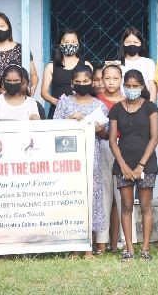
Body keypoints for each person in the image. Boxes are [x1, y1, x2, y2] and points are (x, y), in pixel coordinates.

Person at [53, 65, 108, 257]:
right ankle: (73, 249)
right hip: (68, 161)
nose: (82, 84)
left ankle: (88, 248)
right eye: (78, 82)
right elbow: (54, 130)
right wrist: (69, 120)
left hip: (92, 160)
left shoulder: (99, 105)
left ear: (92, 82)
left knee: (91, 200)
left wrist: (100, 129)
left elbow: (106, 134)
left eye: (86, 81)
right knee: (72, 200)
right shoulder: (64, 104)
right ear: (72, 83)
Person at [109, 69, 158, 262]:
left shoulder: (151, 108)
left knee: (146, 206)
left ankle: (145, 249)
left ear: (142, 86)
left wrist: (141, 165)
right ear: (123, 86)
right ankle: (128, 248)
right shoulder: (116, 109)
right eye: (128, 86)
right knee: (126, 206)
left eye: (135, 86)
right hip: (123, 164)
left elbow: (154, 138)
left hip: (146, 164)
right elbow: (112, 141)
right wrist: (123, 166)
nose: (131, 89)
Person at [0, 12, 38, 116]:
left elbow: (33, 74)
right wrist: (8, 89)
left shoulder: (22, 49)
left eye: (2, 26)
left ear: (8, 26)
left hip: (19, 100)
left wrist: (33, 87)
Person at [95, 63, 126, 253]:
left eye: (115, 78)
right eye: (107, 78)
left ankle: (126, 241)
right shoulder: (96, 101)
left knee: (124, 196)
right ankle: (101, 242)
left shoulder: (127, 100)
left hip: (125, 148)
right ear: (101, 80)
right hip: (102, 147)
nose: (111, 82)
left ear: (121, 79)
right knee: (103, 195)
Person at [41, 30, 92, 119]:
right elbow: (44, 92)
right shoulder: (51, 66)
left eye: (73, 42)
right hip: (57, 111)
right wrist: (57, 102)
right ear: (60, 44)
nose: (70, 44)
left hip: (81, 111)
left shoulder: (86, 65)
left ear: (78, 44)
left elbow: (92, 89)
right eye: (66, 42)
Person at [119, 27, 157, 102]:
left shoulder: (149, 62)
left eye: (135, 42)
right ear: (123, 43)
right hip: (123, 104)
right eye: (128, 42)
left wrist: (151, 104)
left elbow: (152, 85)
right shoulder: (117, 64)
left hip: (145, 103)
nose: (132, 44)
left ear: (141, 44)